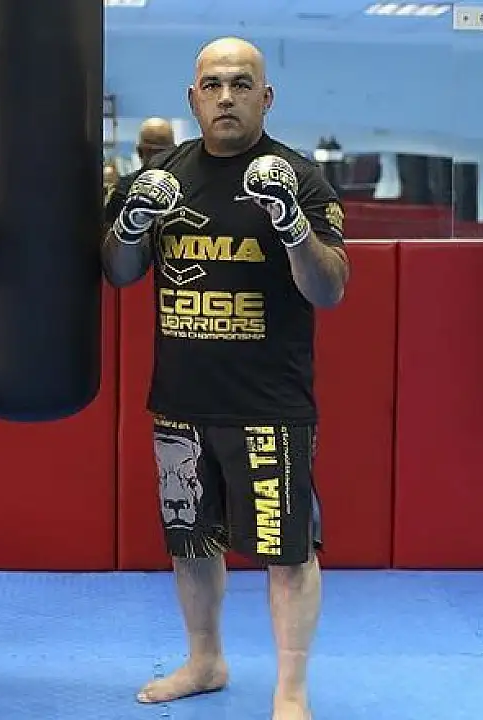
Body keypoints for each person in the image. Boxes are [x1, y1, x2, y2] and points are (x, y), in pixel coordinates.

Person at [101, 37, 349, 720]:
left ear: (266, 98)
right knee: (190, 542)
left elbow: (330, 289)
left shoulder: (301, 178)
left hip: (269, 402)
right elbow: (118, 273)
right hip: (181, 401)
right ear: (193, 98)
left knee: (288, 552)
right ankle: (205, 660)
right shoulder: (162, 176)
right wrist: (132, 223)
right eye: (212, 85)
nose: (226, 97)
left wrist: (292, 226)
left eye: (241, 85)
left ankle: (291, 689)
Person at [104, 117, 177, 220]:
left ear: (139, 152)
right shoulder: (187, 186)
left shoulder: (124, 188)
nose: (159, 159)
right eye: (154, 153)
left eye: (162, 153)